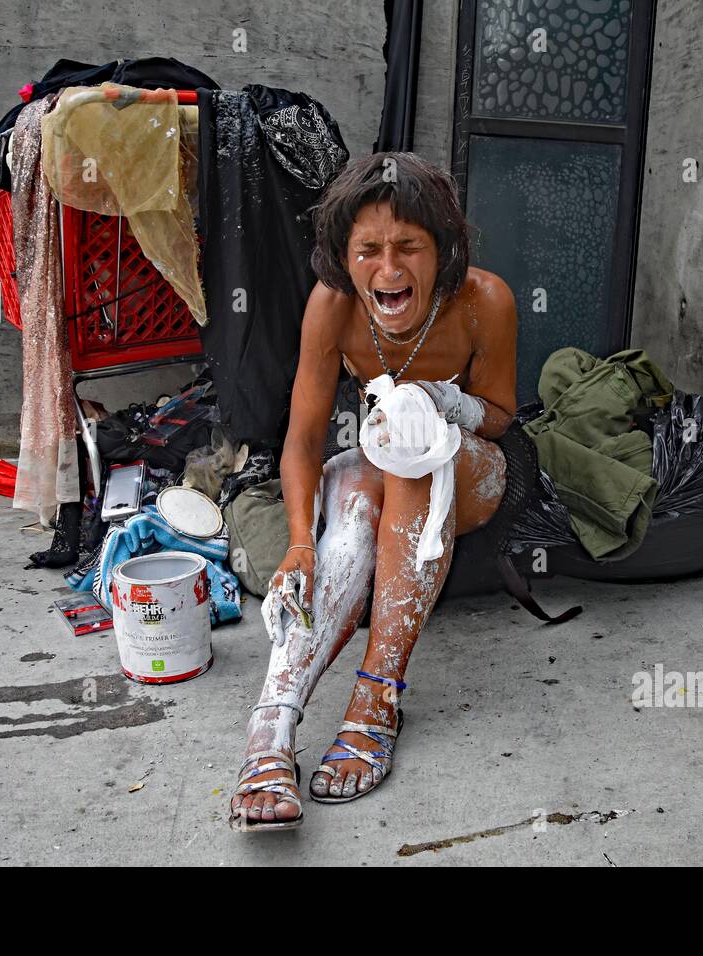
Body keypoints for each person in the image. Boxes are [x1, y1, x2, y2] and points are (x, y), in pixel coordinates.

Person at [229, 152, 518, 831]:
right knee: (353, 514)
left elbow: (503, 415)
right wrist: (301, 544)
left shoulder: (486, 300)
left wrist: (442, 402)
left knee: (416, 455)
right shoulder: (332, 307)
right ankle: (271, 727)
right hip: (381, 463)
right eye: (369, 251)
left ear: (442, 251)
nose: (389, 271)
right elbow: (300, 441)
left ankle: (376, 695)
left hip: (475, 472)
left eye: (409, 248)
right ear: (342, 255)